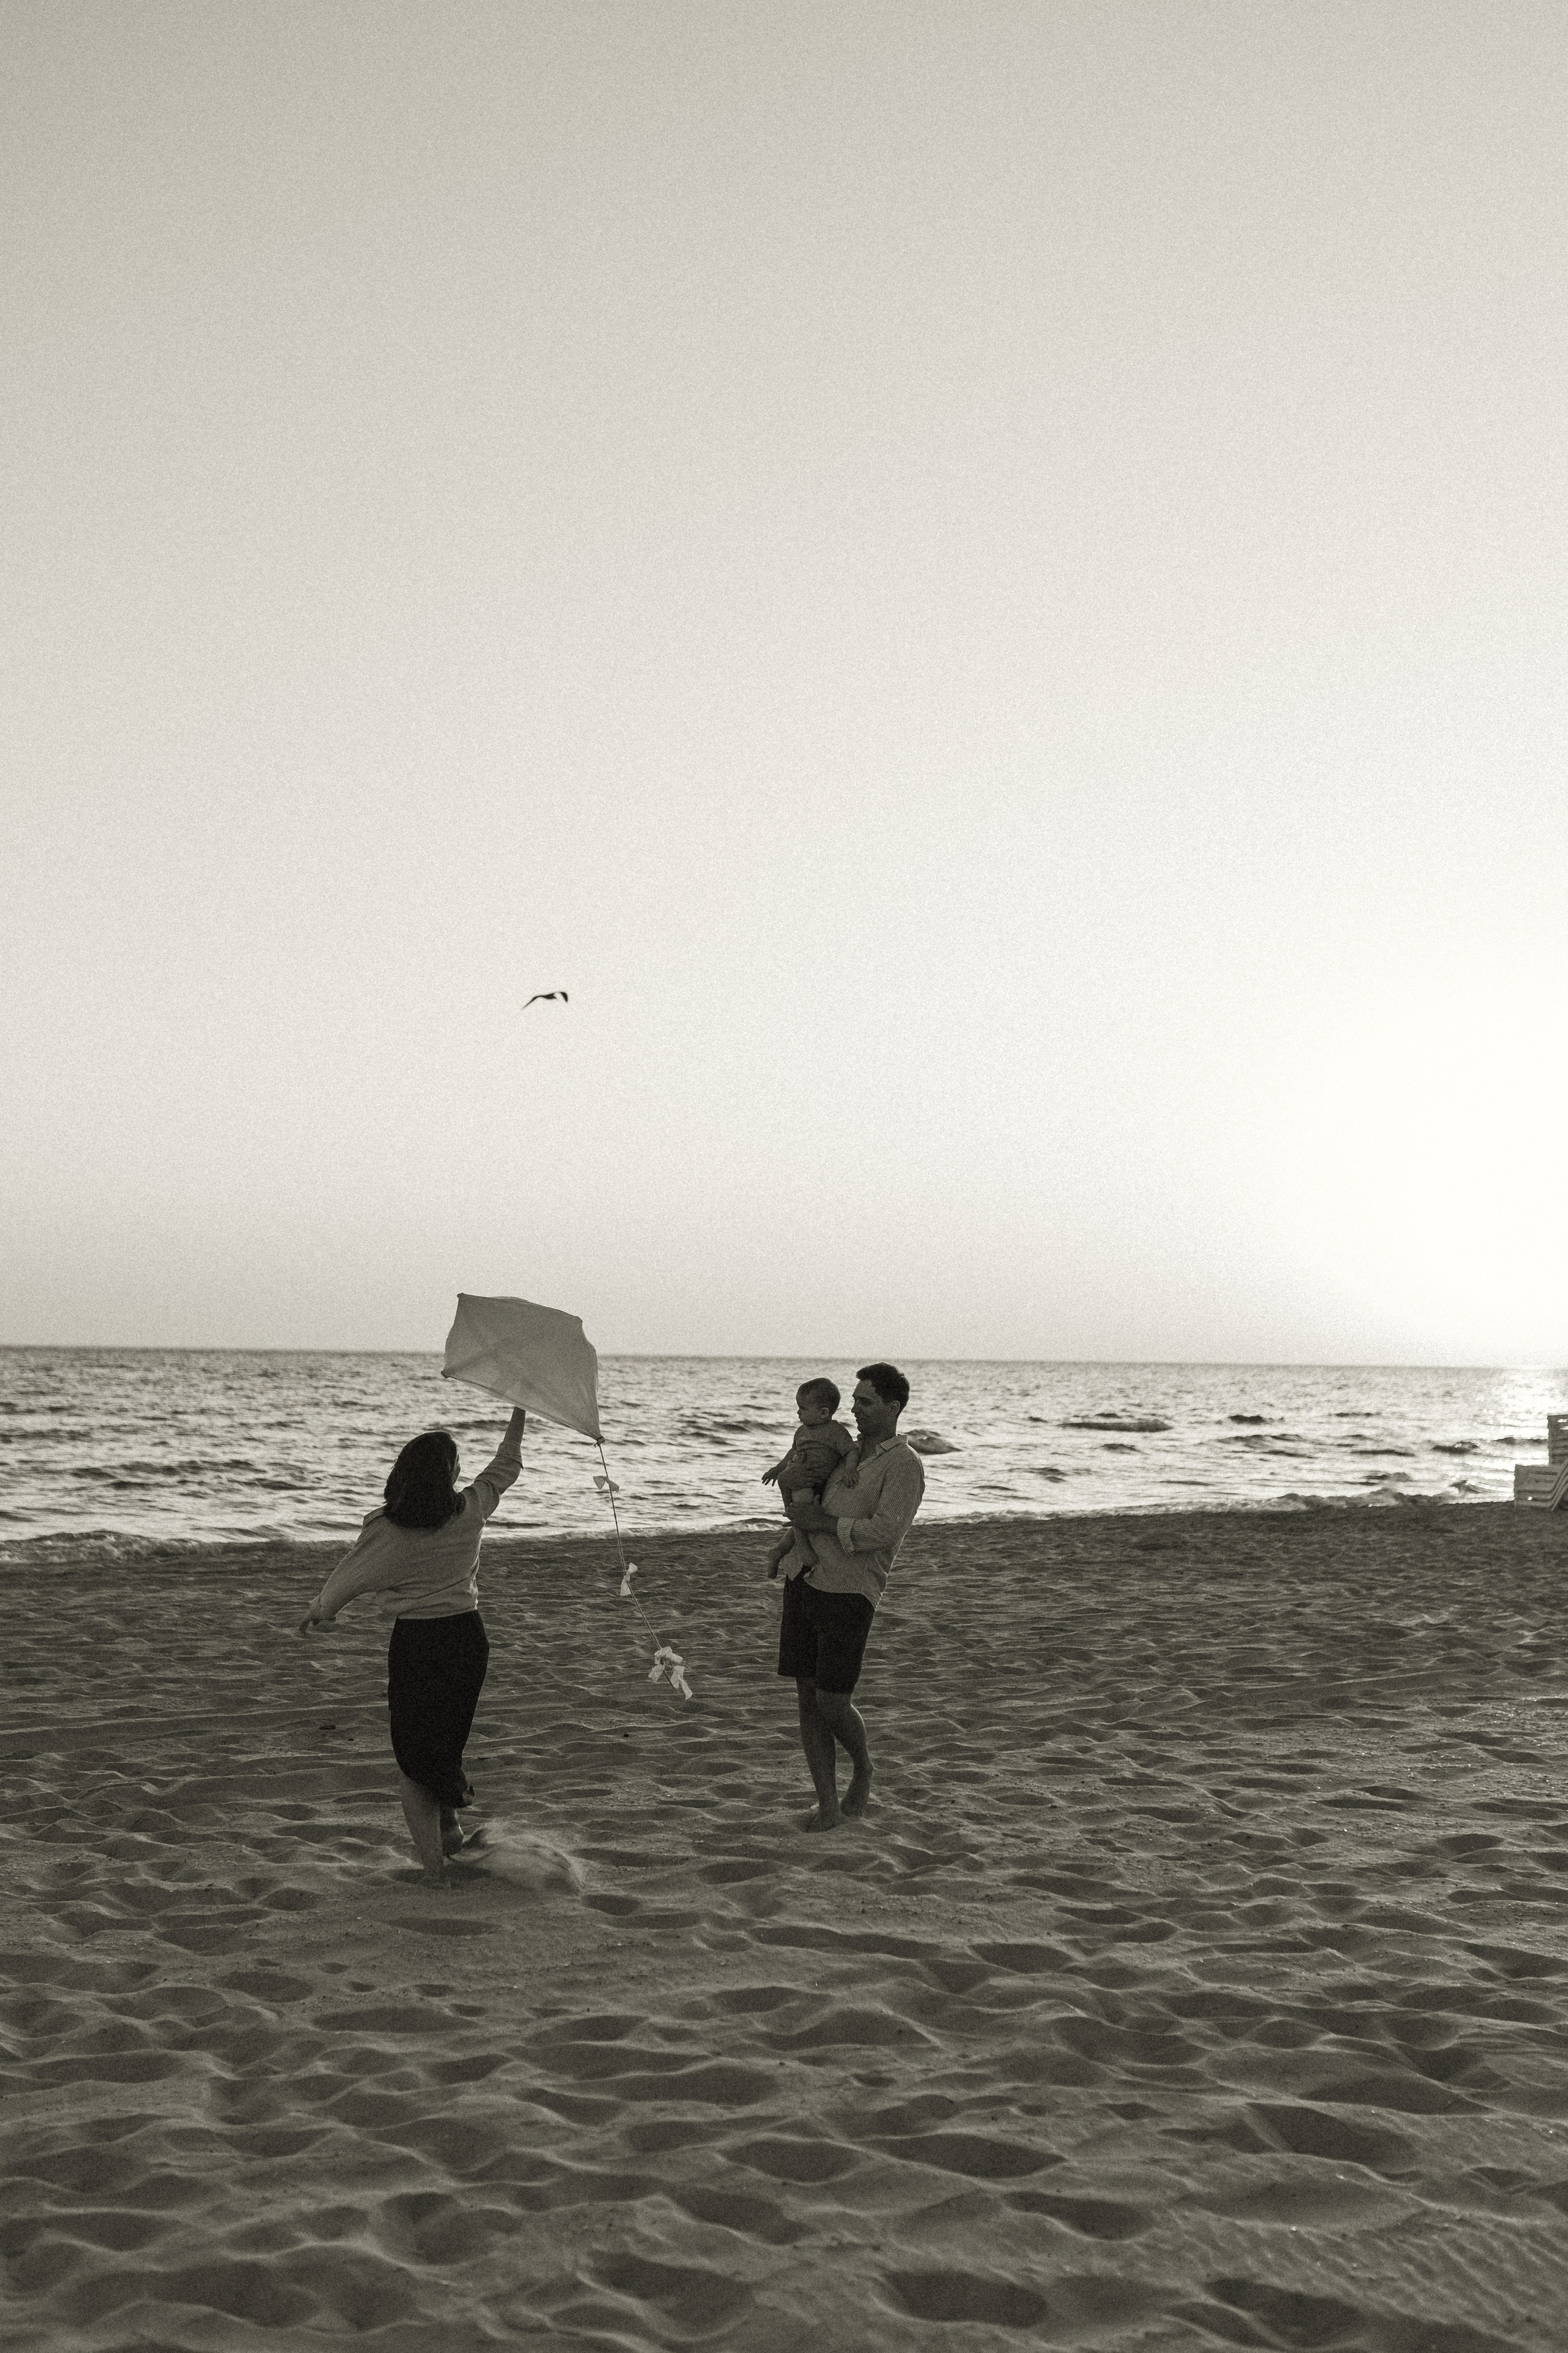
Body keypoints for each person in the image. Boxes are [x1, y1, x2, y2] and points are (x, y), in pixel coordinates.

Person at [298, 1407, 526, 1883]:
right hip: (467, 1641)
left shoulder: (388, 1528)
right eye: (457, 1464)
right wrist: (518, 1408)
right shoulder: (471, 1510)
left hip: (420, 1644)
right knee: (441, 1749)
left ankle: (433, 1872)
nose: (463, 1471)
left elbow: (350, 1575)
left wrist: (321, 1609)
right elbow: (507, 1465)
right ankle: (452, 1834)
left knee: (413, 1762)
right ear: (446, 1476)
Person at [774, 1362, 924, 1832]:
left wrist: (825, 1525)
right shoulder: (844, 1450)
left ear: (893, 1407)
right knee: (805, 1696)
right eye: (854, 1400)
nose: (854, 1409)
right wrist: (787, 1542)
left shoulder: (904, 1464)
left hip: (851, 1589)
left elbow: (884, 1531)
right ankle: (827, 1804)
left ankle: (863, 1765)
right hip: (804, 1578)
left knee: (833, 1700)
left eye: (865, 1402)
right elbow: (812, 1501)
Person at [761, 1377, 857, 1576]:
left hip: (817, 1482)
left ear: (823, 1413)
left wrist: (850, 1469)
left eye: (803, 1409)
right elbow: (791, 1453)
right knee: (801, 1506)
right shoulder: (801, 1431)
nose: (798, 1412)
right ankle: (803, 1546)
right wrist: (776, 1469)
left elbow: (850, 1451)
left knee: (803, 1512)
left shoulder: (836, 1432)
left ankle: (778, 1551)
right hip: (801, 1480)